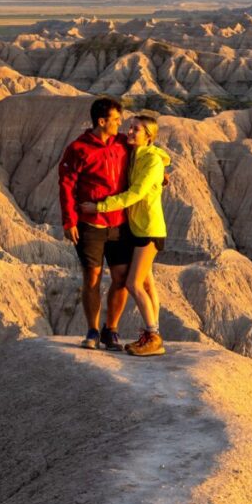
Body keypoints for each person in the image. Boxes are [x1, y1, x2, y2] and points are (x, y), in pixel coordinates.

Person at [81, 114, 169, 357]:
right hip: (137, 228)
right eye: (130, 127)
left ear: (149, 136)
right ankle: (154, 334)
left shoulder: (151, 160)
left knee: (133, 283)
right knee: (148, 283)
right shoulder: (136, 154)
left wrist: (99, 207)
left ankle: (153, 336)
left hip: (149, 230)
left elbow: (135, 194)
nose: (130, 132)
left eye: (136, 129)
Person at [58, 96, 132, 350]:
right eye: (116, 120)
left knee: (121, 277)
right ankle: (92, 330)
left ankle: (111, 330)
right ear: (102, 121)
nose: (120, 124)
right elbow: (66, 185)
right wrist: (69, 221)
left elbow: (149, 155)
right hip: (91, 224)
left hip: (120, 223)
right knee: (92, 278)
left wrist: (161, 175)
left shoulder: (123, 143)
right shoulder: (78, 149)